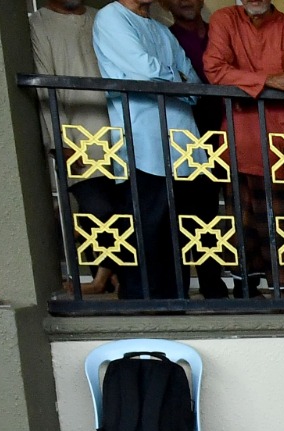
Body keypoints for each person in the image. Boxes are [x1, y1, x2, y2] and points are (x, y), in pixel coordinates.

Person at [203, 0, 284, 297]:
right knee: (246, 228)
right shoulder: (225, 19)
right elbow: (214, 69)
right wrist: (271, 81)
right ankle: (258, 292)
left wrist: (257, 84)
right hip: (241, 140)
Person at [92, 0, 199, 300]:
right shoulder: (111, 17)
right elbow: (142, 69)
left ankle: (175, 298)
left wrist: (176, 81)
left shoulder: (161, 30)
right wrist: (176, 79)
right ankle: (141, 301)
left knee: (174, 230)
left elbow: (193, 81)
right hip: (142, 139)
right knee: (144, 226)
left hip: (179, 144)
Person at [30, 0, 118, 297]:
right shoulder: (39, 24)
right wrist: (59, 140)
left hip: (120, 131)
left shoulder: (101, 18)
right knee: (98, 211)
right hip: (79, 136)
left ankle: (114, 278)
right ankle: (102, 279)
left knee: (126, 210)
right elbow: (43, 87)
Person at [157, 0, 232, 300]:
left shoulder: (220, 31)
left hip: (227, 128)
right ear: (165, 4)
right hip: (186, 131)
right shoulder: (166, 37)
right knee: (188, 211)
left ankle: (226, 283)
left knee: (224, 211)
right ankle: (186, 288)